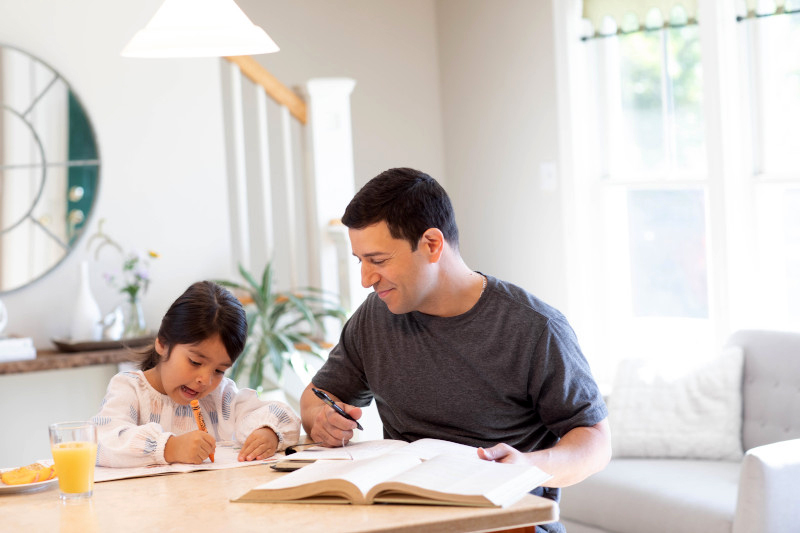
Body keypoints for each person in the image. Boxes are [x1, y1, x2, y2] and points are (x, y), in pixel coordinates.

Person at [300, 168, 611, 533]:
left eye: (378, 261)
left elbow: (595, 442)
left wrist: (528, 466)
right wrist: (321, 420)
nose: (366, 279)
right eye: (361, 261)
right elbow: (315, 398)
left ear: (432, 244)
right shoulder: (375, 317)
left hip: (505, 524)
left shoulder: (534, 328)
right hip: (404, 519)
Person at [93, 281, 300, 467]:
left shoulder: (221, 397)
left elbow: (284, 416)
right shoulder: (129, 390)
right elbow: (102, 442)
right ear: (163, 343)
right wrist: (170, 448)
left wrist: (268, 432)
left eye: (219, 370)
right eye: (195, 362)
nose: (205, 380)